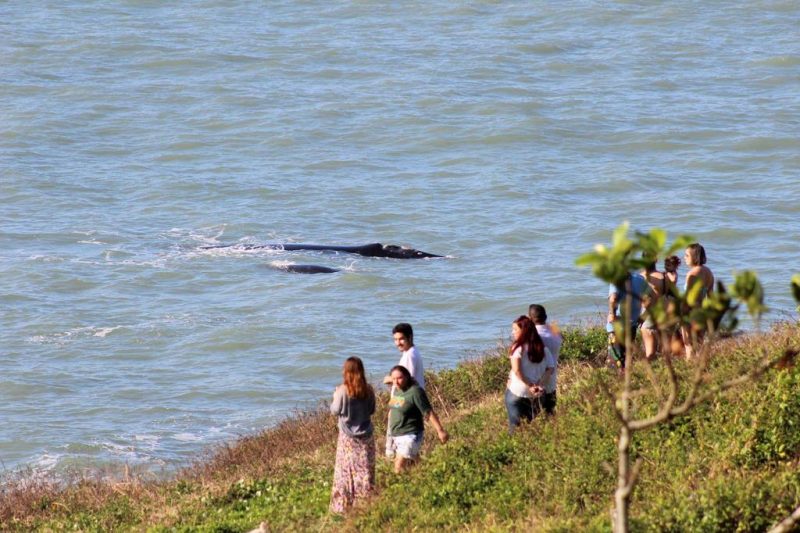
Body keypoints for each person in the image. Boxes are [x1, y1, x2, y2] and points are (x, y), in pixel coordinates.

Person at [329, 357, 376, 513]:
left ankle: (343, 505)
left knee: (346, 471)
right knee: (365, 469)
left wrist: (335, 395)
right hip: (366, 435)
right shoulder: (368, 390)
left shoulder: (343, 390)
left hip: (348, 438)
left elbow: (335, 410)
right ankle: (365, 502)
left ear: (346, 371)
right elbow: (371, 410)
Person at [386, 365, 448, 473]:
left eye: (399, 378)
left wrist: (440, 431)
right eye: (394, 379)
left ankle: (399, 488)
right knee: (414, 461)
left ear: (407, 377)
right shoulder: (397, 391)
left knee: (398, 466)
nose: (396, 382)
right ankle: (428, 474)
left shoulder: (415, 392)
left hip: (410, 434)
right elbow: (393, 410)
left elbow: (428, 412)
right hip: (396, 434)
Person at [505, 316, 555, 432]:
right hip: (537, 394)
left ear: (523, 331)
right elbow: (550, 368)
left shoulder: (518, 348)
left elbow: (517, 370)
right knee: (531, 426)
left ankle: (513, 449)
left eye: (515, 329)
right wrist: (539, 385)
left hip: (517, 393)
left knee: (514, 429)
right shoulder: (543, 349)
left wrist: (530, 385)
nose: (513, 332)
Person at [607, 272, 652, 369]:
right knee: (627, 360)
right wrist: (642, 317)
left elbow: (613, 299)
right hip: (632, 326)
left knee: (615, 364)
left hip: (617, 328)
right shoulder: (639, 279)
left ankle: (617, 382)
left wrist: (612, 314)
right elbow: (650, 300)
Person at [681, 243, 715, 358]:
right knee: (699, 345)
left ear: (694, 257)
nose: (684, 258)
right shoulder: (709, 272)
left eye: (687, 255)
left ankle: (689, 372)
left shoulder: (692, 274)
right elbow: (710, 297)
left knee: (688, 345)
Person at [528, 304, 562, 415]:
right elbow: (560, 334)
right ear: (546, 317)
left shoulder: (533, 336)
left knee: (535, 416)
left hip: (536, 383)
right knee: (550, 413)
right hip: (551, 381)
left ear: (530, 318)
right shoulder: (555, 332)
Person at [640, 258, 671, 360]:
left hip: (648, 315)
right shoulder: (664, 276)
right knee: (662, 350)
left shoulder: (642, 277)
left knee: (650, 352)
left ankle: (650, 373)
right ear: (656, 260)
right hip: (662, 313)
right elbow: (666, 296)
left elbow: (644, 301)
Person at [383, 322, 424, 389]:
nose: (398, 343)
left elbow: (407, 380)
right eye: (395, 339)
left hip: (407, 397)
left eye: (401, 339)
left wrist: (389, 379)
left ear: (409, 337)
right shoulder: (412, 351)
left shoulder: (409, 355)